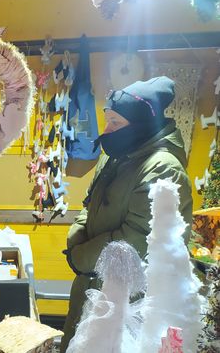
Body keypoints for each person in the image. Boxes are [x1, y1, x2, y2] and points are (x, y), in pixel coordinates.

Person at [61, 76, 192, 351]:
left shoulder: (162, 168)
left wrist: (80, 256)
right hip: (92, 279)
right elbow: (89, 206)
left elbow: (136, 241)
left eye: (115, 123)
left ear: (142, 124)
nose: (107, 130)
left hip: (126, 302)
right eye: (107, 120)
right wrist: (77, 240)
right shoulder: (117, 157)